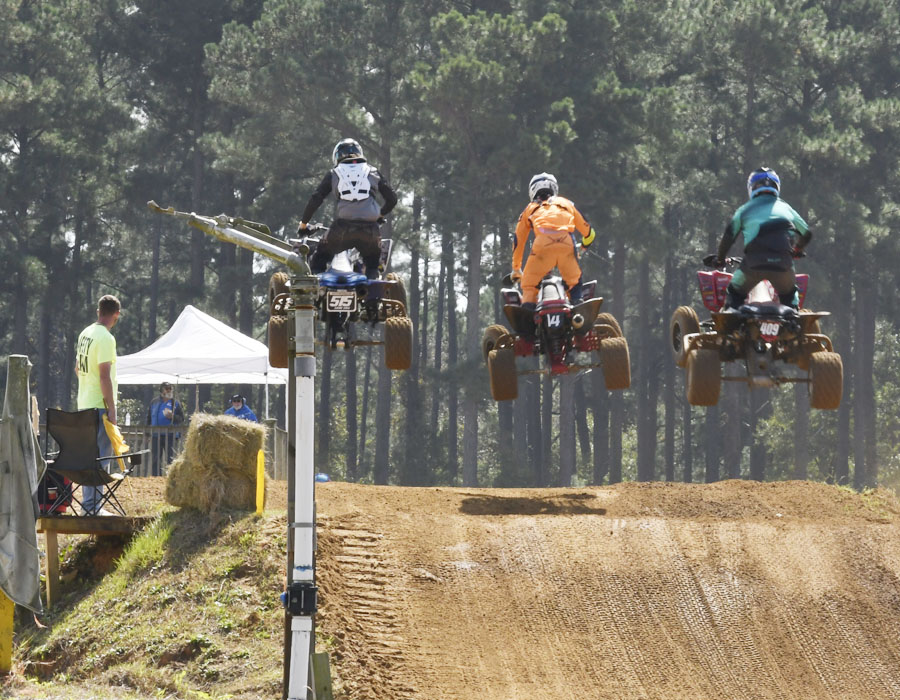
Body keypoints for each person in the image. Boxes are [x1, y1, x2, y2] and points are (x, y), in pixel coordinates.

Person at [712, 167, 812, 311]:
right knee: (790, 297)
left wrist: (720, 259)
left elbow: (729, 236)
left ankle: (732, 326)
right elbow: (807, 233)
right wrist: (797, 249)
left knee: (734, 292)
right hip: (783, 267)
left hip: (752, 267)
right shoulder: (786, 209)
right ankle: (792, 322)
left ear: (751, 187)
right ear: (777, 186)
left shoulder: (745, 209)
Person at [298, 138, 398, 279]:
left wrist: (303, 225)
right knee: (372, 265)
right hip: (370, 231)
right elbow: (392, 199)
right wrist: (380, 216)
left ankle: (318, 291)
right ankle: (372, 295)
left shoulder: (334, 173)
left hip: (342, 230)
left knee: (318, 259)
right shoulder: (373, 172)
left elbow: (316, 199)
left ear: (337, 156)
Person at [512, 172, 596, 307]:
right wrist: (583, 248)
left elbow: (518, 240)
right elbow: (589, 233)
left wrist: (516, 268)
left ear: (532, 191)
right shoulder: (567, 203)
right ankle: (577, 311)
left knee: (529, 284)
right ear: (554, 188)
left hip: (542, 245)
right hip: (566, 243)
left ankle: (528, 314)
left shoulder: (530, 208)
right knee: (574, 283)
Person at [74, 294, 121, 516]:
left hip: (83, 403)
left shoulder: (85, 333)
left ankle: (87, 505)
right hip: (98, 405)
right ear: (116, 315)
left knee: (88, 456)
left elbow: (77, 368)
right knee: (101, 457)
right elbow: (104, 376)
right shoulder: (106, 338)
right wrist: (112, 407)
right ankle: (94, 507)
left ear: (97, 311)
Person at [146, 381, 184, 476]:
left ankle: (170, 477)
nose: (169, 390)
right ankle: (155, 477)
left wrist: (173, 416)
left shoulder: (175, 403)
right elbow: (149, 418)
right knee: (155, 458)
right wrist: (147, 434)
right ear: (161, 391)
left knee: (170, 458)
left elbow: (181, 418)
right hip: (156, 434)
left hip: (170, 435)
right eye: (167, 389)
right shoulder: (154, 402)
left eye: (170, 388)